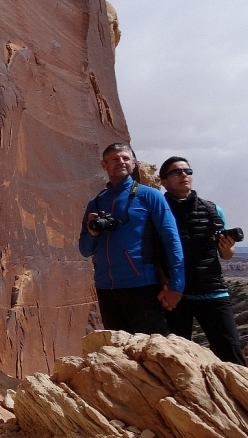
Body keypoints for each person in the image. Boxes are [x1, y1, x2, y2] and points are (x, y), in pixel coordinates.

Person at [79, 143, 185, 335]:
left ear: (134, 164)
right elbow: (85, 250)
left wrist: (177, 285)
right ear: (104, 165)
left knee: (154, 351)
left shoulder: (150, 196)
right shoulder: (95, 203)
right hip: (106, 290)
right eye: (115, 159)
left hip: (142, 287)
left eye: (126, 158)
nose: (121, 162)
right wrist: (93, 232)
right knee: (122, 354)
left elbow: (171, 239)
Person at [158, 156, 246, 365]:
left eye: (188, 172)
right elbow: (153, 253)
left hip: (213, 291)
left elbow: (226, 255)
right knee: (176, 359)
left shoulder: (212, 210)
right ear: (163, 181)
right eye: (176, 172)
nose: (183, 175)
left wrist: (227, 248)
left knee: (231, 352)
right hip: (176, 295)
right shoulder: (158, 211)